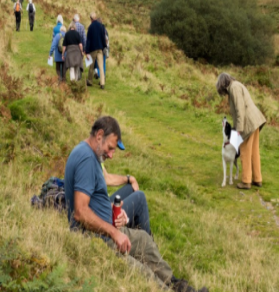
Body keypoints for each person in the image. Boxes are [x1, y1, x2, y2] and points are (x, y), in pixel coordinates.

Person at [64, 116, 208, 292]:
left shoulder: (90, 155)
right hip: (95, 239)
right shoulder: (86, 159)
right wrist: (114, 234)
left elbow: (92, 202)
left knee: (144, 240)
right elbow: (80, 212)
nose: (110, 154)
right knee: (142, 273)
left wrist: (114, 211)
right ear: (99, 135)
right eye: (110, 148)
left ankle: (177, 285)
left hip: (104, 232)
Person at [216, 73, 266, 189]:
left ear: (223, 84)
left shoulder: (234, 88)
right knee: (254, 151)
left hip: (247, 123)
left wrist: (238, 130)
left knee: (244, 151)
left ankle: (246, 181)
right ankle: (257, 179)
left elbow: (240, 109)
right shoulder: (236, 86)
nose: (223, 93)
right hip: (254, 121)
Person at [85, 12, 107, 90]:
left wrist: (87, 51)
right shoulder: (101, 26)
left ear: (91, 19)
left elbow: (88, 40)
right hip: (100, 49)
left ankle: (90, 81)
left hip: (93, 49)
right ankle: (102, 83)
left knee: (91, 65)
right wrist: (104, 46)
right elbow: (103, 37)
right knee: (101, 66)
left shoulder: (90, 27)